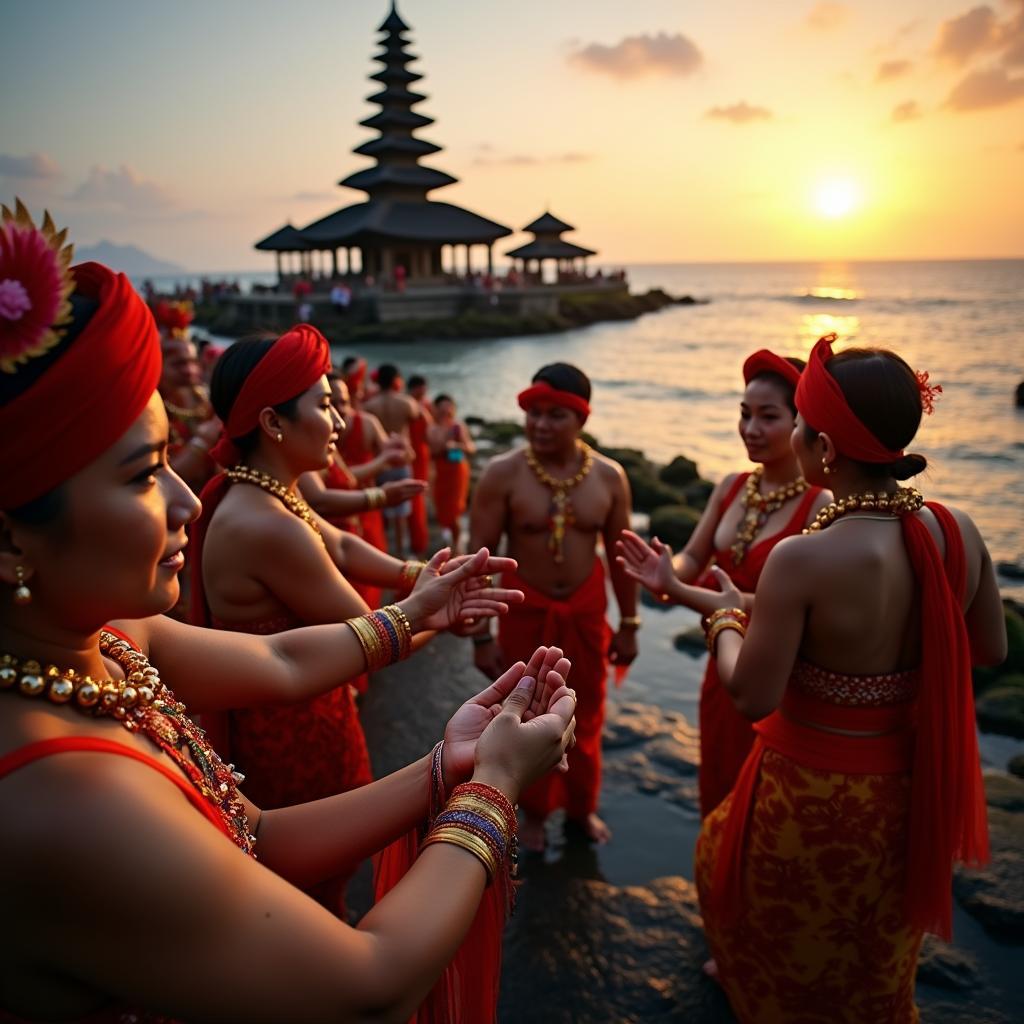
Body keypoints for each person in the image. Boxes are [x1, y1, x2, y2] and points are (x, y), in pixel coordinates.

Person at [0, 201, 576, 1022]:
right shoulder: (64, 795)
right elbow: (367, 984)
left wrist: (446, 762)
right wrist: (495, 787)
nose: (182, 501)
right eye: (138, 476)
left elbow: (262, 804)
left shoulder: (106, 639)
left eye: (169, 458)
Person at [692, 335, 1004, 1021]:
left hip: (808, 793)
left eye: (799, 424)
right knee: (873, 951)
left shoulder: (804, 559)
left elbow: (752, 694)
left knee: (781, 936)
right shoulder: (960, 532)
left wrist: (722, 621)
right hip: (906, 794)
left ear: (825, 448)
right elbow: (987, 648)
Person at [616, 350, 829, 817]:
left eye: (768, 417)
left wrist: (686, 590)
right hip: (723, 658)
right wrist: (667, 573)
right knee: (720, 781)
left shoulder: (820, 504)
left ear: (803, 423)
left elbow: (797, 607)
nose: (751, 428)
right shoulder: (732, 485)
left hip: (783, 677)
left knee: (771, 800)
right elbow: (695, 557)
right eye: (744, 414)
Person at [469, 362, 639, 850]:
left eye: (555, 415)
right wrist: (480, 636)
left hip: (585, 614)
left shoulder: (609, 477)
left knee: (586, 713)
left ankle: (582, 809)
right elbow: (477, 560)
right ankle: (536, 813)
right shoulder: (502, 474)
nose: (540, 425)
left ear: (581, 419)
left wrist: (628, 624)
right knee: (524, 717)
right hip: (525, 612)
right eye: (533, 413)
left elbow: (623, 560)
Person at [364, 364, 430, 556]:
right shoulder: (406, 403)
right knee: (401, 512)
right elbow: (422, 419)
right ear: (396, 381)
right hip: (401, 459)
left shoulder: (369, 406)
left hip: (380, 463)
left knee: (380, 506)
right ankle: (401, 551)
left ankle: (382, 550)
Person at [428, 392, 475, 551]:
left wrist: (457, 445)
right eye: (442, 409)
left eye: (449, 408)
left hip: (457, 472)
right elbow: (431, 452)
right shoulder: (433, 428)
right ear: (437, 410)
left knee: (454, 509)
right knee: (441, 507)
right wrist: (444, 445)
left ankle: (456, 543)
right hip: (440, 472)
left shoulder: (458, 426)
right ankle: (448, 538)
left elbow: (470, 448)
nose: (446, 412)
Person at [405, 375, 433, 555]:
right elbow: (430, 431)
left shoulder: (417, 404)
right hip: (416, 454)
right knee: (415, 499)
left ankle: (417, 540)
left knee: (416, 498)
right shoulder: (415, 406)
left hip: (419, 455)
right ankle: (418, 541)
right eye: (423, 389)